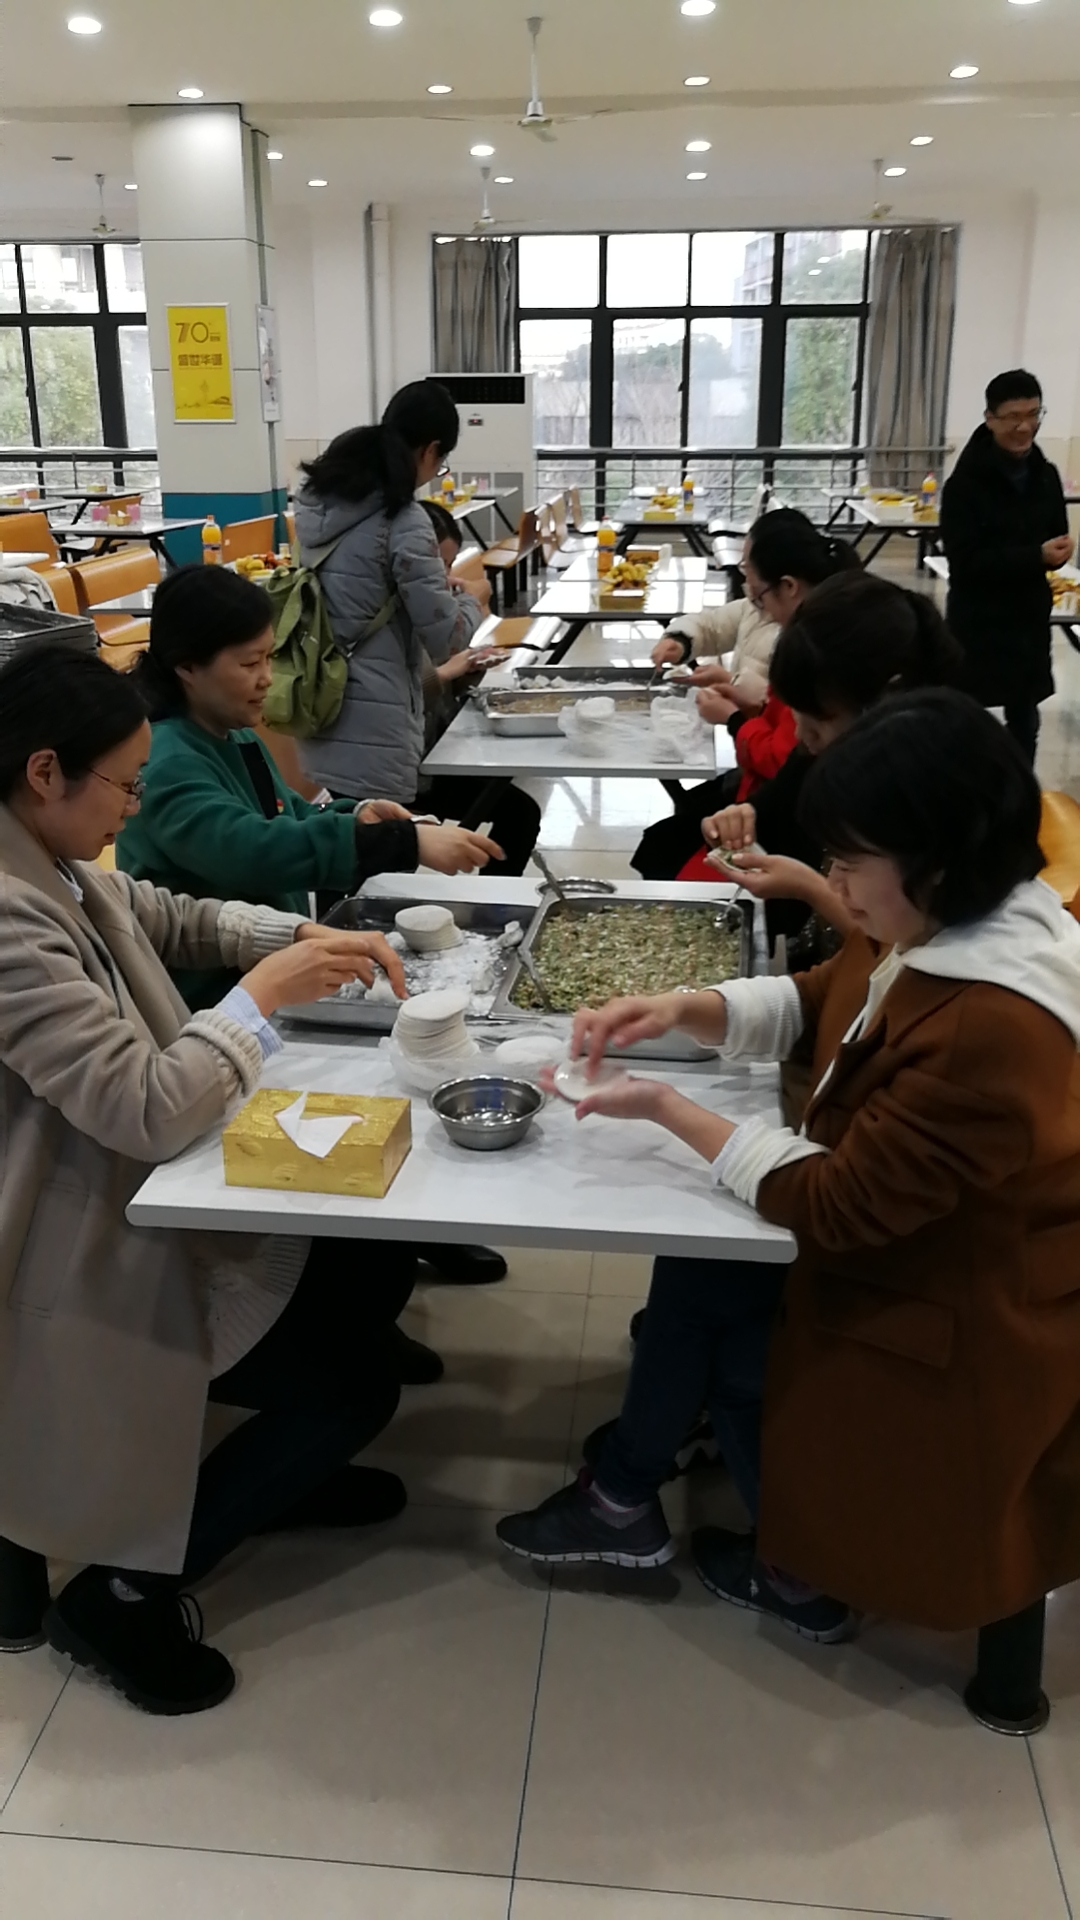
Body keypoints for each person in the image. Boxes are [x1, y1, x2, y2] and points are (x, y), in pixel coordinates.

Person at [497, 690, 1080, 1649]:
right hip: (914, 1235)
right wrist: (687, 1008)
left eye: (851, 864)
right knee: (696, 1265)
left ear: (937, 860)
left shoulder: (988, 1019)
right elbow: (826, 996)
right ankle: (633, 1493)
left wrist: (669, 1108)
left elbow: (839, 1205)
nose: (835, 886)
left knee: (729, 1333)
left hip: (953, 1303)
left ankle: (798, 1570)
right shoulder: (953, 920)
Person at [0, 645, 445, 1714]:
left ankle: (281, 1472)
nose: (134, 808)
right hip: (68, 1235)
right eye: (124, 788)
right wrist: (260, 998)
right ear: (46, 771)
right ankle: (119, 1596)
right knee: (351, 1388)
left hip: (129, 1182)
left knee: (364, 1262)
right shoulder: (7, 916)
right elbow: (146, 1107)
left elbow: (161, 912)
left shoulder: (49, 858)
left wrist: (299, 935)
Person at [118, 565, 511, 1290]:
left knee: (399, 1071)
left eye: (270, 658)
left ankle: (410, 1235)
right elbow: (252, 848)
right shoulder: (166, 758)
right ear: (186, 667)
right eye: (249, 663)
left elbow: (290, 815)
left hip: (276, 965)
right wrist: (399, 844)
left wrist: (357, 815)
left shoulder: (231, 734)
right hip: (213, 998)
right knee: (347, 1100)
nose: (267, 679)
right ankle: (356, 1277)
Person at [692, 571, 962, 952]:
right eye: (795, 714)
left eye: (818, 722)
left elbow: (896, 954)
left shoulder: (925, 796)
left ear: (885, 702)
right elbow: (782, 795)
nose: (803, 736)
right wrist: (745, 814)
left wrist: (810, 888)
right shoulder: (828, 748)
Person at [632, 510, 861, 880]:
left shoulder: (813, 650)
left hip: (781, 802)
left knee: (673, 850)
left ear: (788, 586)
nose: (746, 579)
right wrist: (683, 643)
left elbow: (786, 757)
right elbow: (793, 753)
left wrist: (735, 717)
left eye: (749, 568)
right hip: (767, 788)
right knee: (668, 840)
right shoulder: (779, 615)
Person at [295, 379, 485, 806]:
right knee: (387, 844)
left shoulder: (318, 505)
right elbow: (448, 640)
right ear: (430, 450)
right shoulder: (404, 519)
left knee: (352, 832)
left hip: (321, 706)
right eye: (441, 463)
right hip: (377, 725)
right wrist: (472, 598)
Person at [940, 367, 1073, 763]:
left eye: (1033, 414)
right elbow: (964, 562)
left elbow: (1056, 532)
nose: (1024, 427)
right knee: (965, 721)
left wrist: (1060, 551)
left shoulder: (1045, 475)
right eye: (1013, 417)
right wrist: (1036, 556)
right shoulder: (963, 485)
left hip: (1027, 619)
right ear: (990, 419)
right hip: (979, 620)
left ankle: (1020, 794)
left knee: (1025, 722)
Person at [416, 500, 543, 878]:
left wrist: (466, 669)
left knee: (519, 808)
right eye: (437, 566)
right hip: (408, 771)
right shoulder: (393, 617)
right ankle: (492, 899)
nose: (445, 577)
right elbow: (400, 695)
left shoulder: (428, 608)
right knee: (519, 813)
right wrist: (448, 671)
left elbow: (437, 679)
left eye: (449, 566)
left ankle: (492, 898)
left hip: (432, 749)